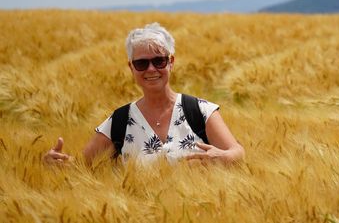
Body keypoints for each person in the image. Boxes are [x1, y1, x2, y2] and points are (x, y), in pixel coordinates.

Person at [44, 23, 245, 165]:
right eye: (141, 63)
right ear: (131, 67)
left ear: (171, 62)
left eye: (159, 61)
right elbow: (80, 166)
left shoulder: (200, 111)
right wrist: (55, 162)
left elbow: (238, 152)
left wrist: (224, 158)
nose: (151, 69)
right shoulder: (120, 121)